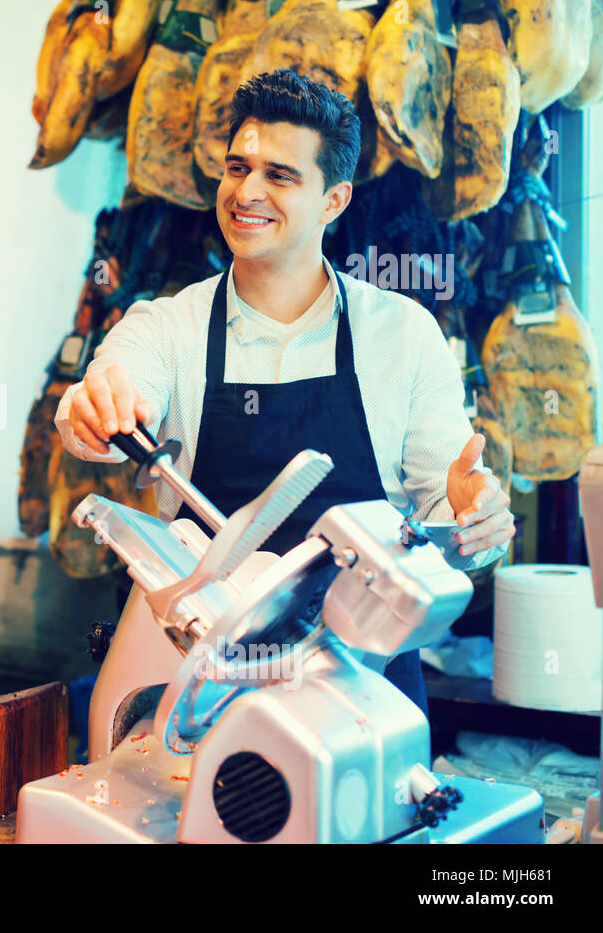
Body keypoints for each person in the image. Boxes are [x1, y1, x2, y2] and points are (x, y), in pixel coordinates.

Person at [57, 70, 512, 714]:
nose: (247, 192)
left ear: (334, 200)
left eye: (280, 176)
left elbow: (448, 512)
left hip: (362, 685)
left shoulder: (403, 333)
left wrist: (475, 521)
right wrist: (94, 407)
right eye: (237, 167)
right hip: (196, 678)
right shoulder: (166, 326)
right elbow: (101, 405)